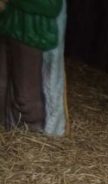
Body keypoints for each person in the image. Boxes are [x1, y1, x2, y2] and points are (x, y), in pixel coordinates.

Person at [0, 0, 63, 131]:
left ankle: (31, 132)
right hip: (6, 26)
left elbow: (52, 6)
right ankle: (6, 127)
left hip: (31, 34)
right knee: (3, 84)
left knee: (25, 95)